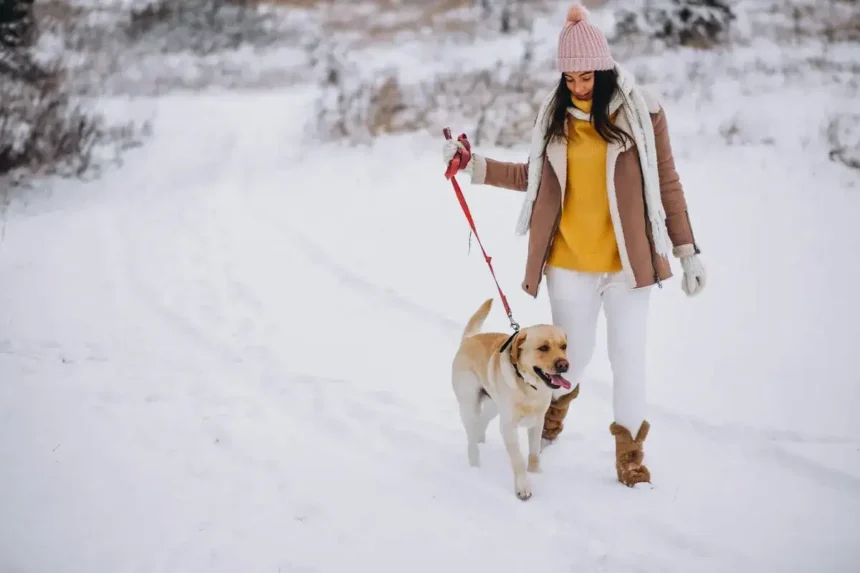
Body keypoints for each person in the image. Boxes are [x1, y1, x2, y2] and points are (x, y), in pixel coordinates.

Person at [441, 3, 706, 487]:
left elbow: (666, 181)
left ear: (604, 69)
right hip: (568, 262)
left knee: (629, 358)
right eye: (570, 78)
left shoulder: (643, 113)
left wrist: (687, 250)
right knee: (571, 360)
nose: (579, 86)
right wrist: (474, 166)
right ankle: (553, 413)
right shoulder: (555, 117)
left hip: (630, 264)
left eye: (587, 77)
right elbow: (532, 177)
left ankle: (630, 454)